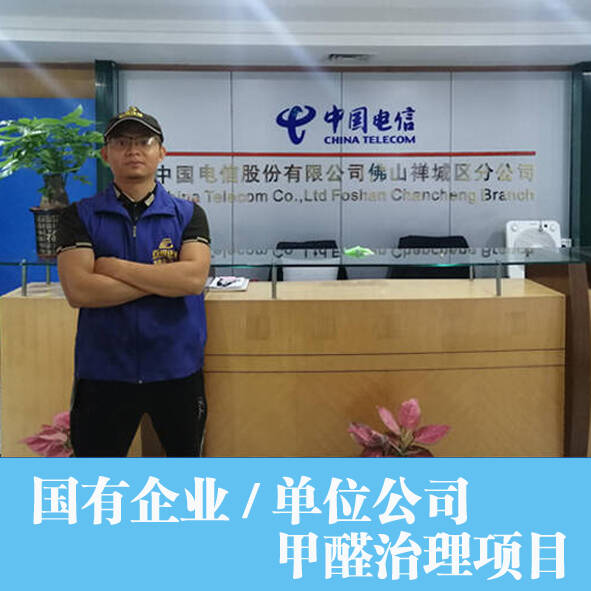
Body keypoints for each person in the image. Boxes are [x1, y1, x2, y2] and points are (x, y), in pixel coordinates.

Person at [56, 106, 211, 457]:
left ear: (162, 153)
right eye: (122, 142)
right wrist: (163, 279)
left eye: (144, 142)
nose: (133, 150)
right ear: (105, 154)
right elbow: (80, 290)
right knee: (97, 479)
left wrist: (113, 267)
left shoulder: (188, 214)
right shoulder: (79, 215)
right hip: (104, 370)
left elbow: (192, 279)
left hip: (177, 367)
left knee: (186, 473)